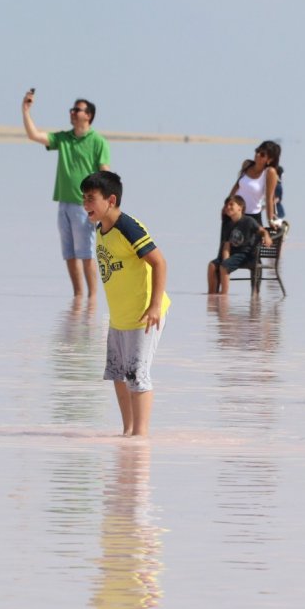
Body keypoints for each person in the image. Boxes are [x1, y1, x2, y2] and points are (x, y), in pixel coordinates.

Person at [80, 171, 170, 437]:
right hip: (119, 317)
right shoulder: (100, 230)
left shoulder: (127, 227)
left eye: (91, 198)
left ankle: (140, 437)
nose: (85, 204)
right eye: (83, 198)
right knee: (118, 374)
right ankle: (128, 431)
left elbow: (159, 262)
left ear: (110, 200)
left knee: (137, 375)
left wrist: (154, 306)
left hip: (144, 314)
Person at [22, 89, 111, 300]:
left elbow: (105, 171)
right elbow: (34, 135)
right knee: (70, 254)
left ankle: (93, 298)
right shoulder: (63, 138)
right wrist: (26, 110)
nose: (72, 112)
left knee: (86, 253)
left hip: (85, 206)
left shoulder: (98, 141)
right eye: (71, 109)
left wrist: (106, 204)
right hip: (64, 203)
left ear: (88, 115)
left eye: (77, 110)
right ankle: (78, 297)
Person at [208, 195, 272, 295]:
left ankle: (224, 295)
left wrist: (266, 236)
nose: (227, 207)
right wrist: (226, 261)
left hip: (244, 255)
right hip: (232, 255)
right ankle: (211, 295)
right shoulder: (228, 224)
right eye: (226, 205)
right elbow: (226, 246)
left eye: (231, 204)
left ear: (240, 207)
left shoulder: (248, 221)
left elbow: (262, 230)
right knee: (212, 266)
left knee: (224, 267)